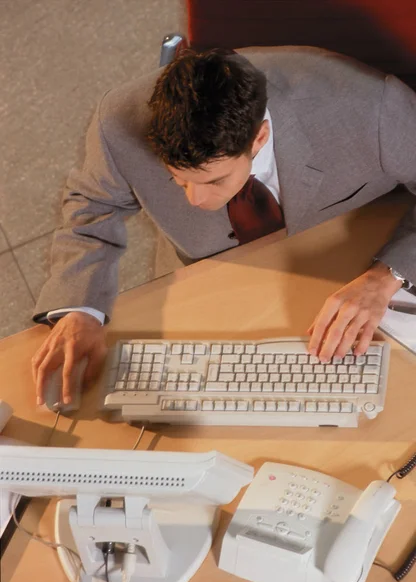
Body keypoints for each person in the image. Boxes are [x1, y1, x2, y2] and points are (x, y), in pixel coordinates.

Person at [32, 47, 416, 405]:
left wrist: (384, 278)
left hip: (342, 267)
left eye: (214, 181)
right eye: (178, 180)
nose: (194, 201)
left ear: (259, 138)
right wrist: (80, 310)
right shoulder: (117, 123)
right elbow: (93, 204)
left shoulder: (371, 109)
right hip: (207, 277)